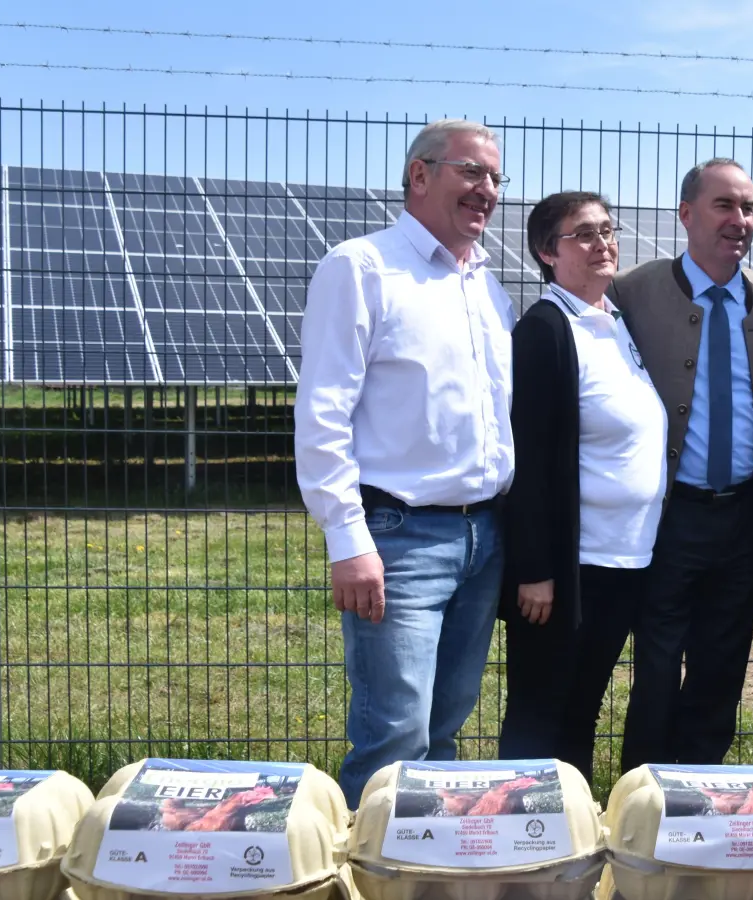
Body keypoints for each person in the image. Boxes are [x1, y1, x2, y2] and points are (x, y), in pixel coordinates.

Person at [295, 119, 514, 809]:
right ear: (419, 175)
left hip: (484, 537)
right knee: (395, 736)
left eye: (495, 179)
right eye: (472, 173)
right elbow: (323, 410)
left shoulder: (485, 284)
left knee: (444, 731)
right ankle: (371, 868)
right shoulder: (361, 268)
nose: (488, 191)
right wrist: (347, 538)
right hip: (400, 537)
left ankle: (418, 868)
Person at [609, 158, 753, 770]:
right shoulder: (632, 293)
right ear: (686, 214)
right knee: (656, 666)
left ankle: (700, 797)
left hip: (742, 518)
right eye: (724, 206)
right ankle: (644, 798)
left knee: (723, 666)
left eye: (749, 208)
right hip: (668, 518)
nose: (740, 221)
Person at [498, 191, 667, 782]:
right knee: (540, 712)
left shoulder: (614, 322)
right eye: (584, 235)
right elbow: (530, 459)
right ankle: (519, 834)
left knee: (582, 708)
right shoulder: (546, 331)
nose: (603, 244)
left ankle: (564, 829)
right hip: (572, 569)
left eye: (607, 230)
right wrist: (536, 568)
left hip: (624, 560)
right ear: (548, 252)